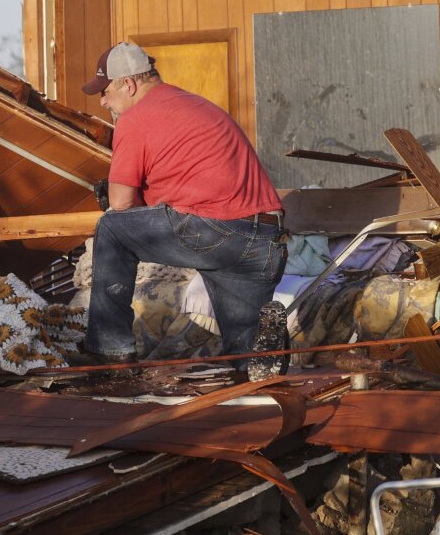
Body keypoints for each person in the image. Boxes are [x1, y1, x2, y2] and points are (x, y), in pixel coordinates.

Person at [78, 42, 287, 374]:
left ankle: (110, 350)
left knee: (111, 228)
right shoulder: (196, 105)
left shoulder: (136, 118)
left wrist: (124, 201)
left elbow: (120, 204)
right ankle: (260, 357)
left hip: (215, 230)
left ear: (128, 84)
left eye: (104, 91)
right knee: (246, 359)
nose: (103, 101)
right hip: (262, 237)